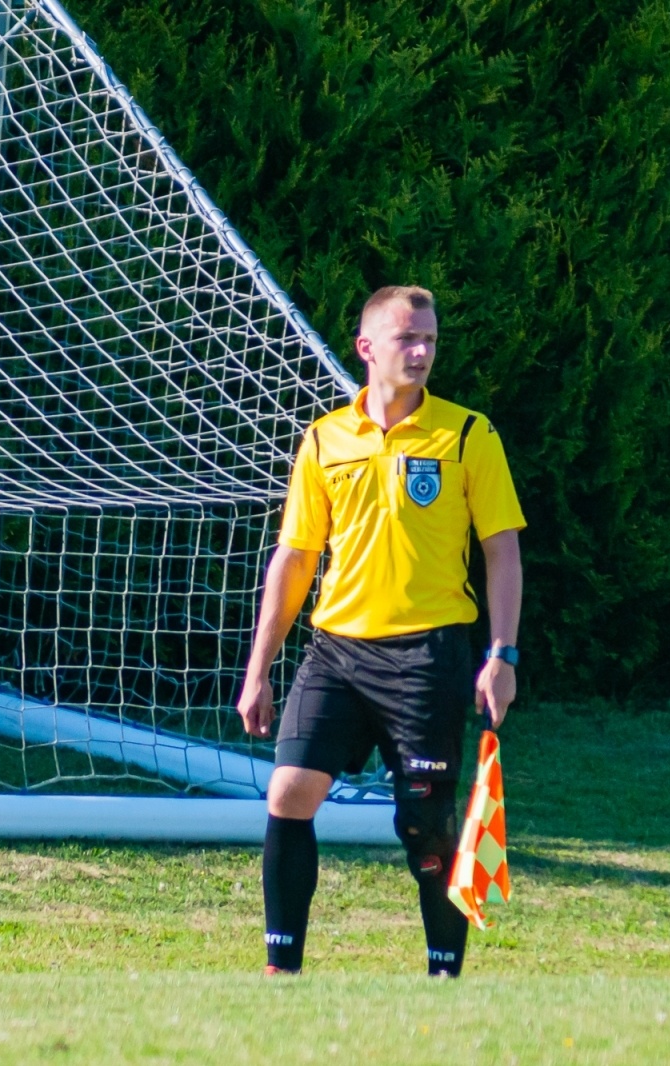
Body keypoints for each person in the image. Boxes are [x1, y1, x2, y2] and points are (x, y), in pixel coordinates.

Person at [236, 285, 525, 977]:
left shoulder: (467, 434)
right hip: (336, 652)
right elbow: (297, 557)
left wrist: (502, 654)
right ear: (367, 348)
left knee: (424, 827)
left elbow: (502, 550)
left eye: (429, 338)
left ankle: (443, 975)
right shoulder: (325, 438)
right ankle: (281, 972)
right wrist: (259, 667)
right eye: (407, 339)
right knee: (288, 793)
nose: (422, 351)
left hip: (428, 655)